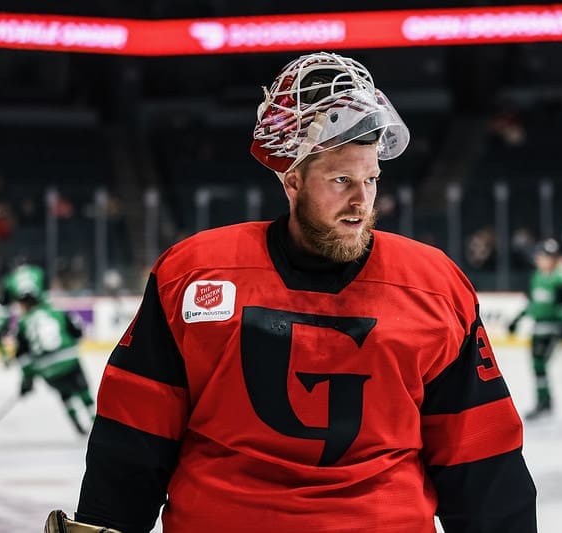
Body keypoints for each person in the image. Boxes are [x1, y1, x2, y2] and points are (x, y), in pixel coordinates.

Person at [74, 52, 536, 533]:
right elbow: (133, 437)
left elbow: (482, 457)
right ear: (292, 180)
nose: (361, 201)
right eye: (341, 180)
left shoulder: (435, 286)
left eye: (371, 179)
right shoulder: (193, 274)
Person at [10, 272, 95, 435]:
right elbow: (77, 332)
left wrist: (27, 382)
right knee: (83, 390)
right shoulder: (57, 312)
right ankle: (95, 422)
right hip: (69, 359)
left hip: (47, 368)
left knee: (65, 394)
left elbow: (23, 357)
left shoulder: (22, 323)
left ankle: (77, 424)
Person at [508, 239, 562, 420]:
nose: (542, 260)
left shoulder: (561, 279)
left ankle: (544, 402)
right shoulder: (537, 277)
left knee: (539, 364)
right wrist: (517, 319)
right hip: (538, 328)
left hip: (551, 328)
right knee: (538, 366)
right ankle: (545, 401)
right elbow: (532, 303)